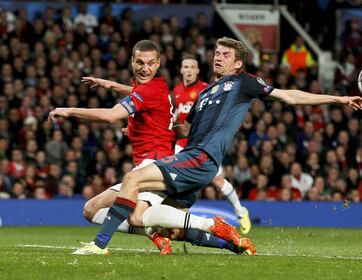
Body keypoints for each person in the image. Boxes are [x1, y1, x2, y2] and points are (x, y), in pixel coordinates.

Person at [57, 37, 362, 255]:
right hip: (191, 157)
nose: (218, 57)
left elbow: (289, 95)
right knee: (156, 224)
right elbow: (175, 116)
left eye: (226, 54)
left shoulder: (243, 82)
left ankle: (99, 246)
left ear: (238, 63)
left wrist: (338, 98)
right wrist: (159, 125)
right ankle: (234, 244)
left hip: (199, 160)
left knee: (132, 180)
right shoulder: (204, 94)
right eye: (217, 52)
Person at [50, 39, 253, 256]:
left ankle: (100, 245)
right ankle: (232, 244)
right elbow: (145, 99)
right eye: (139, 63)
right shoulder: (155, 88)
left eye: (150, 63)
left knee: (136, 216)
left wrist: (69, 110)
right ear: (132, 62)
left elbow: (111, 116)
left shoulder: (151, 89)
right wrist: (111, 86)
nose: (144, 68)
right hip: (153, 159)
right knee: (91, 210)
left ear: (158, 64)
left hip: (156, 161)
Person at [173, 54, 251, 234]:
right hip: (182, 144)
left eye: (192, 67)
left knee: (217, 181)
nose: (189, 70)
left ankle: (240, 211)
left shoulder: (206, 89)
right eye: (186, 67)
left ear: (197, 71)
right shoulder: (176, 91)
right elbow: (179, 122)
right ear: (181, 70)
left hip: (203, 144)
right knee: (177, 183)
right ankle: (176, 221)